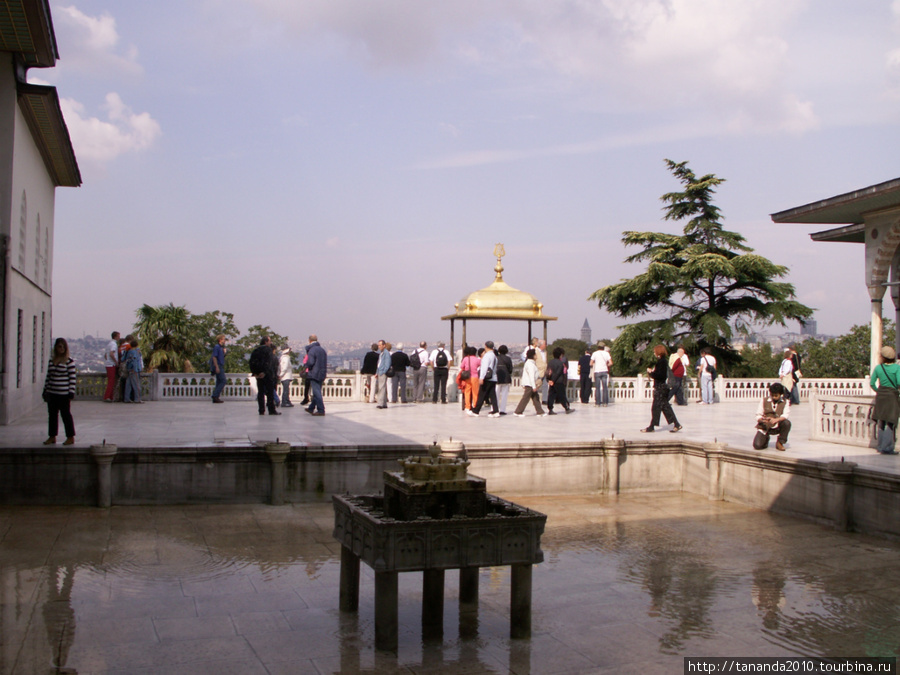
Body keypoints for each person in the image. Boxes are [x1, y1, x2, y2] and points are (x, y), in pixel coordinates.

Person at [42, 337, 77, 445]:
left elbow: (72, 378)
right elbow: (49, 377)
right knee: (52, 415)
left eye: (62, 347)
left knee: (65, 415)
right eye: (58, 347)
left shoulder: (69, 361)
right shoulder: (52, 361)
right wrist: (45, 390)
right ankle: (52, 436)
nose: (60, 349)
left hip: (63, 393)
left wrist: (71, 391)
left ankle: (70, 436)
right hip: (52, 392)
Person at [641, 344, 682, 433]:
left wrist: (651, 373)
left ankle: (652, 427)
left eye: (655, 351)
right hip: (662, 388)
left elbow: (660, 376)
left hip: (660, 388)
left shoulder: (661, 362)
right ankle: (676, 424)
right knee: (664, 407)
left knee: (657, 407)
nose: (654, 353)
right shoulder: (662, 361)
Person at [870, 346, 900, 455]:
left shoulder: (878, 368)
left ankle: (880, 445)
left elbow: (872, 383)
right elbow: (899, 382)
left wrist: (879, 390)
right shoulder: (896, 368)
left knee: (881, 421)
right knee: (891, 422)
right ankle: (887, 448)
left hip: (881, 395)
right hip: (892, 396)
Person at [753, 382, 791, 451]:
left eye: (776, 395)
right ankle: (765, 439)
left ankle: (780, 442)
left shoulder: (785, 402)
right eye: (772, 395)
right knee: (757, 446)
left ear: (780, 394)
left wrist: (776, 420)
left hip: (778, 425)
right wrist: (762, 420)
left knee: (787, 423)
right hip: (766, 426)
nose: (774, 397)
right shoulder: (764, 400)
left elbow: (786, 415)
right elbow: (758, 414)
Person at [250, 336, 280, 416]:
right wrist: (264, 372)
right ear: (266, 342)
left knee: (260, 392)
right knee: (270, 393)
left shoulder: (256, 350)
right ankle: (271, 410)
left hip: (258, 375)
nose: (270, 343)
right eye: (269, 341)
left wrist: (256, 373)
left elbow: (252, 362)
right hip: (267, 375)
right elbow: (268, 363)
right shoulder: (268, 351)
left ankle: (261, 410)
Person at [470, 341, 500, 417]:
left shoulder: (487, 356)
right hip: (493, 377)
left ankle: (476, 411)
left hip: (487, 378)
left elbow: (484, 367)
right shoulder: (494, 356)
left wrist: (481, 377)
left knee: (481, 394)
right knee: (493, 395)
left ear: (486, 346)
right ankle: (496, 410)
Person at [513, 349, 545, 416]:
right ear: (533, 355)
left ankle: (540, 411)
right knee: (525, 398)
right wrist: (534, 386)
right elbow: (531, 376)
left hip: (530, 384)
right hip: (530, 384)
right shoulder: (530, 364)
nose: (536, 356)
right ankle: (518, 411)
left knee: (535, 398)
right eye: (535, 354)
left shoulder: (531, 363)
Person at [546, 347, 573, 414]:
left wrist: (548, 380)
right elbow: (558, 373)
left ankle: (550, 409)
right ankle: (566, 408)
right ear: (560, 355)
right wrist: (553, 380)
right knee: (562, 395)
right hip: (559, 381)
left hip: (552, 382)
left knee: (551, 395)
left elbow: (548, 372)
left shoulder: (550, 362)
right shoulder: (560, 363)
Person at [305, 335, 327, 416]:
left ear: (309, 340)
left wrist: (306, 366)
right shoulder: (322, 350)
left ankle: (321, 410)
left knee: (317, 392)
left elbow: (310, 362)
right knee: (316, 391)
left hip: (314, 373)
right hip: (322, 373)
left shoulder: (312, 350)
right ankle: (311, 408)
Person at [459, 346, 481, 411]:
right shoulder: (477, 360)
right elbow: (481, 365)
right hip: (475, 377)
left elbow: (461, 366)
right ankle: (475, 405)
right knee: (475, 392)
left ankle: (467, 406)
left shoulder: (465, 359)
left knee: (467, 392)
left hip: (467, 377)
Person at [124, 338, 144, 404]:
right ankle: (137, 399)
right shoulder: (135, 352)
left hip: (129, 370)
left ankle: (126, 398)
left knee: (128, 384)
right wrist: (137, 369)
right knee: (136, 385)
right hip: (134, 370)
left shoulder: (128, 351)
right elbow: (134, 361)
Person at [495, 344, 514, 415]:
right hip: (506, 378)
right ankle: (502, 409)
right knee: (504, 395)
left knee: (496, 394)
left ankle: (494, 408)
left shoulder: (496, 358)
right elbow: (510, 369)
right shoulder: (508, 359)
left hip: (497, 378)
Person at [103, 331, 120, 401]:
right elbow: (111, 354)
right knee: (111, 381)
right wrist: (116, 362)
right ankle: (107, 396)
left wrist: (108, 360)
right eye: (118, 336)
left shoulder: (109, 344)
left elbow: (105, 355)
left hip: (108, 364)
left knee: (111, 381)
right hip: (111, 365)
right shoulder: (114, 344)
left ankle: (110, 396)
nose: (119, 337)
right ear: (115, 337)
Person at [211, 334, 227, 403]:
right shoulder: (217, 347)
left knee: (219, 381)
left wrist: (224, 353)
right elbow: (214, 357)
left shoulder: (221, 348)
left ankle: (216, 397)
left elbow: (221, 357)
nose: (225, 341)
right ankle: (215, 395)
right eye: (224, 339)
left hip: (220, 365)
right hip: (219, 365)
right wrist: (216, 367)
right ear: (220, 340)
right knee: (223, 380)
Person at [375, 339, 391, 408]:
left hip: (382, 372)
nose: (379, 347)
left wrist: (383, 372)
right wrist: (377, 372)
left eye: (380, 345)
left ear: (384, 345)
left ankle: (380, 403)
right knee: (382, 388)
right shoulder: (382, 353)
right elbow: (379, 363)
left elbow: (387, 364)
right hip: (380, 372)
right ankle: (384, 403)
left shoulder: (386, 353)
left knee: (381, 388)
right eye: (378, 345)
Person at [534, 340, 548, 405]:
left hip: (545, 371)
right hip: (538, 371)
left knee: (545, 385)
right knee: (537, 385)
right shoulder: (535, 351)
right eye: (545, 344)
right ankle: (535, 399)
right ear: (541, 345)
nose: (546, 345)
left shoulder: (545, 352)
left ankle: (544, 400)